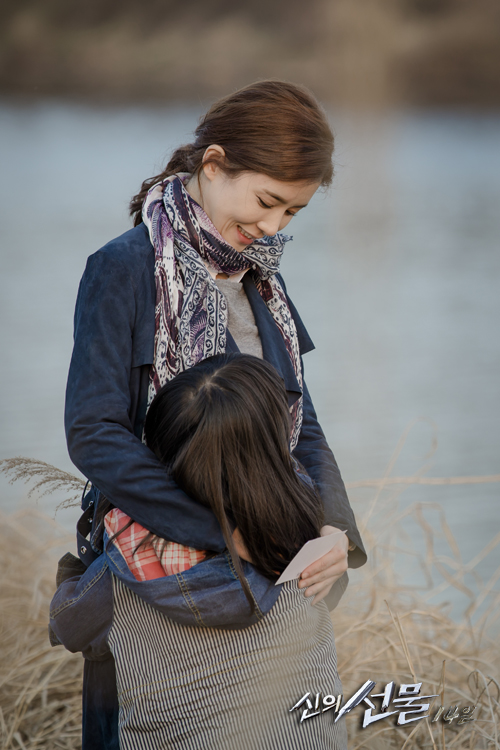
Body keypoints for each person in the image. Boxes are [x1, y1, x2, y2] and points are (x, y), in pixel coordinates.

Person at [62, 79, 367, 748]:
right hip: (157, 573)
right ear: (213, 163)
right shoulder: (124, 268)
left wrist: (334, 532)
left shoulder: (261, 274)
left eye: (293, 213)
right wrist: (219, 532)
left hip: (270, 568)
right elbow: (94, 432)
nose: (272, 229)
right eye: (266, 202)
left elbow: (299, 418)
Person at [51, 353, 349, 749]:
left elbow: (67, 626)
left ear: (160, 454)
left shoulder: (123, 568)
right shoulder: (309, 538)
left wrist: (76, 573)